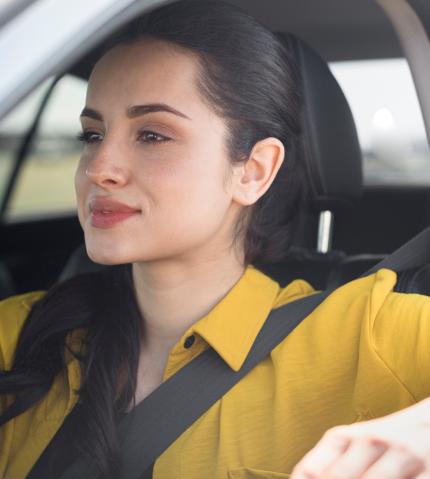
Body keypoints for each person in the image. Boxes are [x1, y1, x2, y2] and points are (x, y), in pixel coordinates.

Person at [0, 1, 430, 478]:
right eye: (93, 135)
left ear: (253, 170)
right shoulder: (19, 336)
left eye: (153, 135)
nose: (99, 168)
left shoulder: (366, 333)